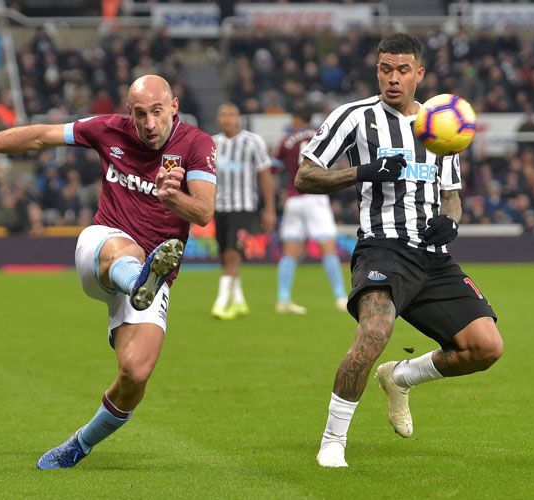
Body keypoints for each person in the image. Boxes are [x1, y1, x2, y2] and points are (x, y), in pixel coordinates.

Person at [0, 75, 217, 469]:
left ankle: (78, 444)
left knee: (135, 376)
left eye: (157, 112)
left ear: (173, 106)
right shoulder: (108, 130)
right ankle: (137, 279)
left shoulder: (197, 144)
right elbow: (40, 137)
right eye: (140, 114)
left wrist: (173, 197)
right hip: (103, 247)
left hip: (154, 274)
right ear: (128, 112)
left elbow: (203, 211)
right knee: (130, 250)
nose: (149, 124)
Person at [294, 34, 503, 468]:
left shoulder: (442, 123)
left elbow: (451, 194)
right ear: (377, 71)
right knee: (374, 332)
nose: (393, 78)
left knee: (486, 347)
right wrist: (364, 171)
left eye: (403, 70)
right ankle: (333, 440)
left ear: (419, 74)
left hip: (432, 256)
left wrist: (452, 220)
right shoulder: (354, 117)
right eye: (385, 68)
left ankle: (402, 376)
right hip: (382, 249)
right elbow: (305, 176)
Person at [274, 105, 347, 314]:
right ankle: (340, 297)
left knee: (290, 250)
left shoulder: (286, 140)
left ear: (296, 119)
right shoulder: (319, 134)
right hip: (316, 196)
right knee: (328, 247)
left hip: (293, 197)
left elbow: (274, 164)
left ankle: (283, 299)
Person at [210, 103, 276, 320]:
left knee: (232, 254)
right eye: (223, 115)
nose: (227, 119)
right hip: (219, 207)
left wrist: (270, 209)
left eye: (231, 115)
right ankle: (239, 301)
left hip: (244, 207)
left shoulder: (252, 141)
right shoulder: (213, 143)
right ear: (219, 119)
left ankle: (221, 303)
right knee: (224, 255)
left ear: (238, 118)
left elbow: (265, 175)